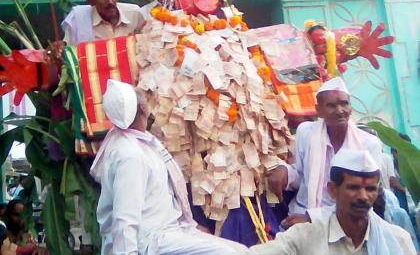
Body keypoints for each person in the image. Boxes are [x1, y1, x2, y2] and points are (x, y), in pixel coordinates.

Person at [89, 79, 247, 255]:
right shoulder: (130, 155)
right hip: (150, 242)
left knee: (241, 250)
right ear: (143, 109)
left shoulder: (138, 141)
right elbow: (124, 219)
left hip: (170, 231)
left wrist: (188, 227)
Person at [247, 150, 417, 255]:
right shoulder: (305, 237)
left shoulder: (397, 240)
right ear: (333, 190)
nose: (363, 196)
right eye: (353, 188)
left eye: (371, 189)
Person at [267, 77, 383, 226]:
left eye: (344, 104)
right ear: (318, 110)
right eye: (331, 106)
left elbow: (367, 196)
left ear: (351, 108)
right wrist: (285, 171)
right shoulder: (306, 133)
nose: (340, 111)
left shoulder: (369, 144)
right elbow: (302, 175)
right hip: (301, 214)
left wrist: (314, 218)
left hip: (348, 221)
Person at [62, 0, 144, 45]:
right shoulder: (78, 18)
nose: (110, 1)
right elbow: (67, 49)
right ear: (90, 0)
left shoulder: (134, 13)